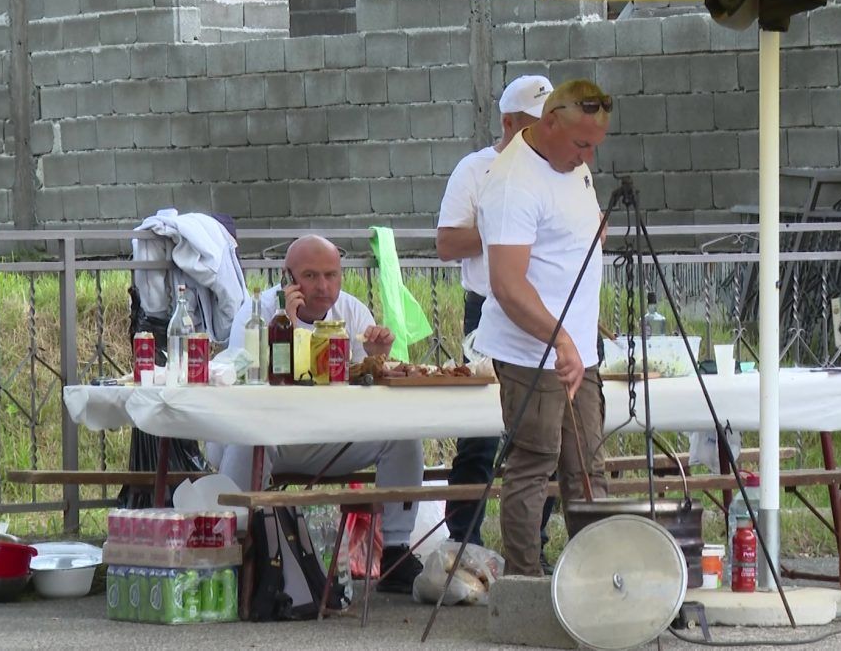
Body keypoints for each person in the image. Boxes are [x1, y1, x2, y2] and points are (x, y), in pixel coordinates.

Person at [209, 235, 425, 593]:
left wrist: (375, 359)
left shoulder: (353, 312)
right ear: (287, 277)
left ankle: (396, 551)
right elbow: (245, 384)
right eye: (310, 276)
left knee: (404, 436)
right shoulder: (258, 312)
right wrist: (289, 325)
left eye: (331, 275)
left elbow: (363, 392)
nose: (323, 287)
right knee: (248, 440)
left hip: (329, 436)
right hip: (272, 436)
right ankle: (236, 551)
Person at [474, 79, 612, 576]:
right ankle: (525, 580)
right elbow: (508, 285)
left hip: (577, 349)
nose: (588, 158)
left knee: (588, 468)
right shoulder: (514, 182)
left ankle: (595, 579)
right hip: (532, 352)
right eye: (581, 145)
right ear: (549, 122)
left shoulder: (570, 162)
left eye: (594, 147)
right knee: (533, 464)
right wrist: (562, 339)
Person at [435, 74, 560, 567]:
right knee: (481, 432)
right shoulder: (475, 169)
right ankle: (464, 546)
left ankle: (532, 547)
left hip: (542, 310)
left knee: (543, 434)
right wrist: (503, 228)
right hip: (487, 308)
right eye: (536, 124)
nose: (547, 133)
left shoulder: (560, 171)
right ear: (508, 123)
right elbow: (447, 243)